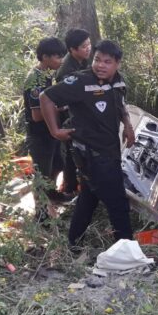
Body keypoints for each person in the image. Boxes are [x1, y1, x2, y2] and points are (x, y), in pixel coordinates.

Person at [39, 40, 136, 246]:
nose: (100, 65)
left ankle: (73, 243)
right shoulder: (80, 82)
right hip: (92, 154)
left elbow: (120, 104)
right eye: (97, 60)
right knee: (118, 203)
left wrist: (127, 125)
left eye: (107, 62)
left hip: (110, 149)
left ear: (117, 63)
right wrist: (55, 131)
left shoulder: (119, 82)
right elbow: (45, 97)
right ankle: (127, 249)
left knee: (88, 198)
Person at [23, 37, 67, 221]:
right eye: (57, 57)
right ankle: (40, 214)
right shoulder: (36, 80)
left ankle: (52, 194)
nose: (61, 61)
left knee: (57, 164)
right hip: (40, 134)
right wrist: (60, 108)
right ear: (45, 57)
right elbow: (37, 115)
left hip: (50, 131)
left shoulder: (47, 75)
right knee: (41, 174)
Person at [54, 29, 92, 199]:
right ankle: (70, 188)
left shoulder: (83, 61)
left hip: (80, 113)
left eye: (89, 44)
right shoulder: (65, 71)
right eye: (84, 46)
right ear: (72, 49)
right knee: (71, 152)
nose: (88, 49)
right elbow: (63, 99)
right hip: (69, 116)